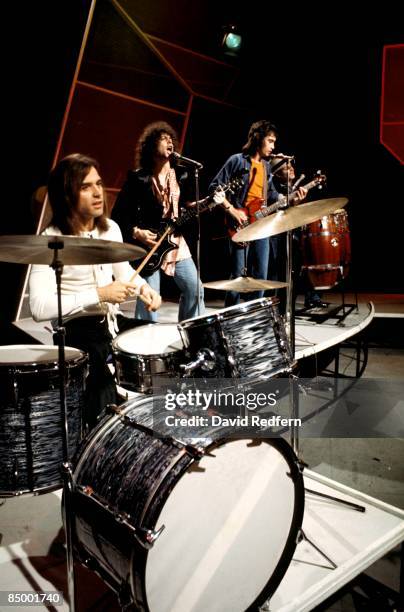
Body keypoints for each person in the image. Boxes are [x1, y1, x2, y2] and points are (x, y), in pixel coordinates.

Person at [29, 154, 161, 429]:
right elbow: (39, 307)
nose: (98, 192)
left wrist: (145, 289)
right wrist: (99, 294)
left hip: (111, 323)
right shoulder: (50, 241)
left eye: (99, 183)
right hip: (77, 331)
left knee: (167, 343)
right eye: (86, 186)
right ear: (66, 194)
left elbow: (124, 273)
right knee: (102, 397)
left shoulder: (110, 229)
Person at [112, 121, 206, 322]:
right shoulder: (139, 179)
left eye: (170, 138)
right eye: (163, 139)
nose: (169, 141)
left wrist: (207, 202)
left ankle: (192, 334)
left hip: (175, 241)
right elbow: (118, 215)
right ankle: (145, 344)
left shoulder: (181, 174)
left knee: (195, 289)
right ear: (152, 146)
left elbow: (187, 206)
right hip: (151, 244)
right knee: (149, 300)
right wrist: (137, 232)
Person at [209, 120, 306, 307]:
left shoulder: (266, 167)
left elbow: (270, 196)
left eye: (274, 142)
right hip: (239, 223)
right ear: (258, 138)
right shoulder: (236, 160)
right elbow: (215, 188)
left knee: (261, 275)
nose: (273, 146)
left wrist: (292, 198)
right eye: (270, 141)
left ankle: (255, 315)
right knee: (238, 276)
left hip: (260, 225)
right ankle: (230, 315)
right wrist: (232, 211)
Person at [270, 155, 327, 309]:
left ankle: (288, 311)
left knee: (293, 275)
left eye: (291, 166)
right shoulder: (272, 187)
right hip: (276, 237)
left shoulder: (292, 188)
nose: (291, 169)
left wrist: (297, 203)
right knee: (278, 277)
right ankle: (277, 312)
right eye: (286, 168)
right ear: (276, 174)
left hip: (292, 235)